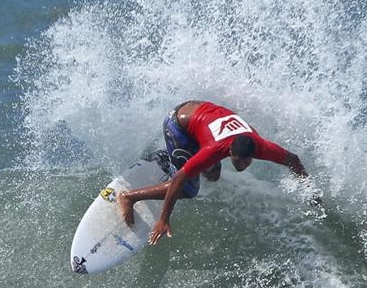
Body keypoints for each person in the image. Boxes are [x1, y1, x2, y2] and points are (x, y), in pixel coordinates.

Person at [118, 100, 309, 245]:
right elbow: (179, 180)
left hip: (199, 114)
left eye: (247, 161)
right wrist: (163, 219)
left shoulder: (262, 146)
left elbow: (294, 160)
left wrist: (309, 191)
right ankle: (129, 197)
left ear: (255, 154)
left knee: (212, 174)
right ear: (230, 152)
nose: (242, 166)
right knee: (189, 189)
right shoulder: (215, 150)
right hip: (178, 124)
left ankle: (172, 158)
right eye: (238, 162)